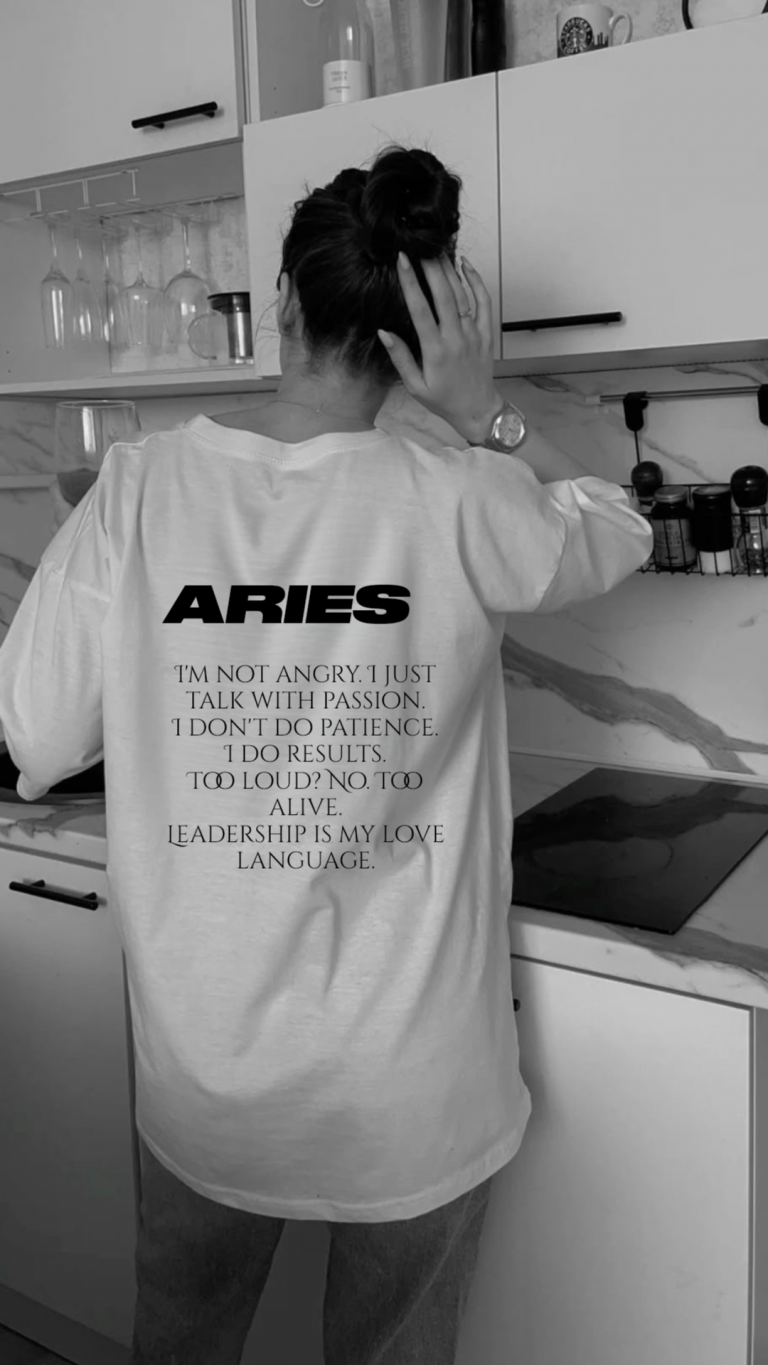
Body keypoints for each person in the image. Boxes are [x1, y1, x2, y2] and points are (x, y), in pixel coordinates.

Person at [0, 144, 652, 1365]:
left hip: (210, 1077)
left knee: (183, 1345)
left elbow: (35, 731)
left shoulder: (140, 488)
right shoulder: (461, 490)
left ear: (284, 306)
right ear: (416, 339)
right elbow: (618, 527)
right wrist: (485, 413)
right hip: (416, 1081)